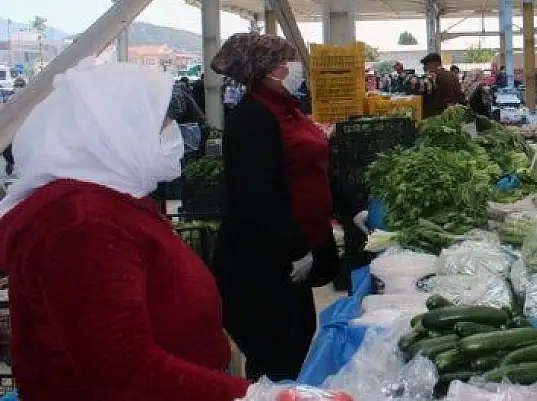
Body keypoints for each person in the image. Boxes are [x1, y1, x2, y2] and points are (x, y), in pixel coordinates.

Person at [0, 61, 251, 400]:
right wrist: (248, 395)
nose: (174, 132)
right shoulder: (82, 225)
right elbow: (120, 370)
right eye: (162, 123)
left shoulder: (112, 199)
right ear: (117, 133)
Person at [210, 33, 351, 381]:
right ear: (266, 70)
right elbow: (256, 193)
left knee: (298, 334)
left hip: (291, 254)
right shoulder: (250, 118)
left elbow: (311, 166)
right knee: (277, 348)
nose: (290, 68)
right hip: (265, 260)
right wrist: (295, 247)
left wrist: (351, 208)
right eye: (282, 63)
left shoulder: (287, 107)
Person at [413, 53, 465, 118]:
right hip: (453, 114)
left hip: (436, 116)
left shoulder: (434, 76)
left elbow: (419, 87)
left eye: (426, 64)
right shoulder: (453, 75)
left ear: (434, 64)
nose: (424, 67)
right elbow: (459, 96)